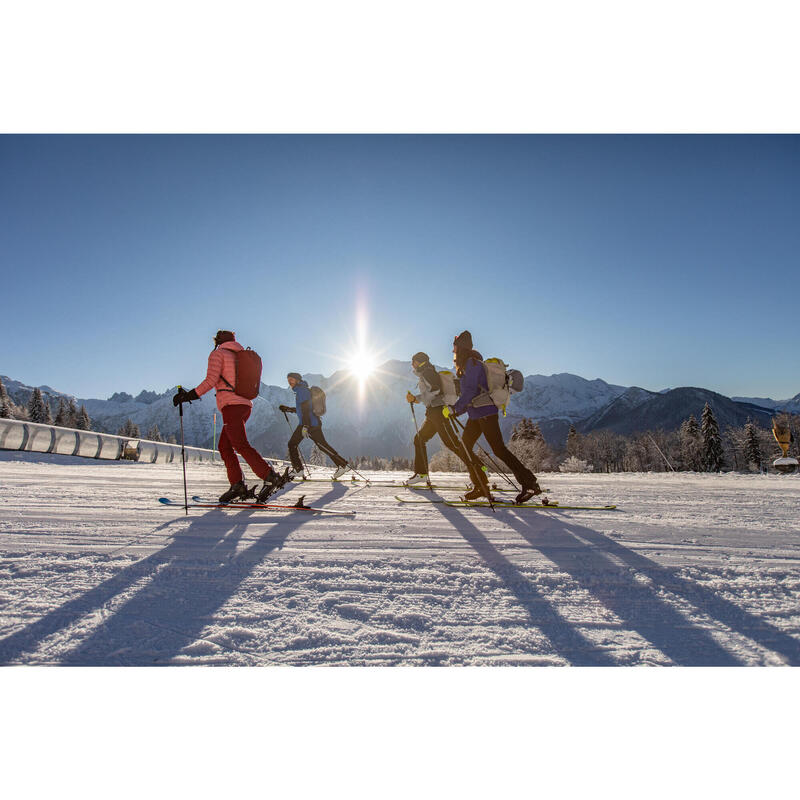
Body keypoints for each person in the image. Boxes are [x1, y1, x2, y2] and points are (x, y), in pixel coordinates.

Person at [173, 330, 279, 503]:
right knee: (224, 446)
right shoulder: (240, 354)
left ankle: (269, 476)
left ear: (217, 341)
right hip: (245, 405)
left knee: (240, 444)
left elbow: (211, 380)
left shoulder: (218, 354)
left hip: (232, 406)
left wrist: (188, 395)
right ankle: (237, 484)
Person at [449, 330, 542, 504]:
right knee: (464, 447)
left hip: (485, 412)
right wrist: (457, 408)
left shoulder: (472, 363)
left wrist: (455, 409)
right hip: (476, 413)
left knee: (499, 449)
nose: (452, 350)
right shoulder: (468, 363)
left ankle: (530, 483)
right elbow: (470, 391)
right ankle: (480, 485)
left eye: (454, 346)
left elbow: (470, 391)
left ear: (460, 347)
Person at [405, 351, 490, 497]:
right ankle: (421, 473)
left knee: (454, 445)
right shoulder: (426, 372)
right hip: (432, 413)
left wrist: (416, 398)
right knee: (419, 439)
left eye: (414, 361)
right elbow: (433, 391)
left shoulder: (428, 372)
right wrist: (418, 399)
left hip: (439, 413)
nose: (412, 364)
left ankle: (480, 469)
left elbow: (435, 390)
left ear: (420, 362)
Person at [278, 372, 351, 480]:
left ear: (297, 380)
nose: (290, 382)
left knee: (293, 444)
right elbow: (302, 409)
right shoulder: (301, 390)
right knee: (322, 445)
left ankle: (298, 469)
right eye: (288, 380)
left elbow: (306, 410)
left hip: (309, 424)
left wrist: (306, 426)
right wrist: (288, 409)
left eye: (292, 380)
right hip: (311, 423)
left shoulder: (302, 391)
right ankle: (342, 465)